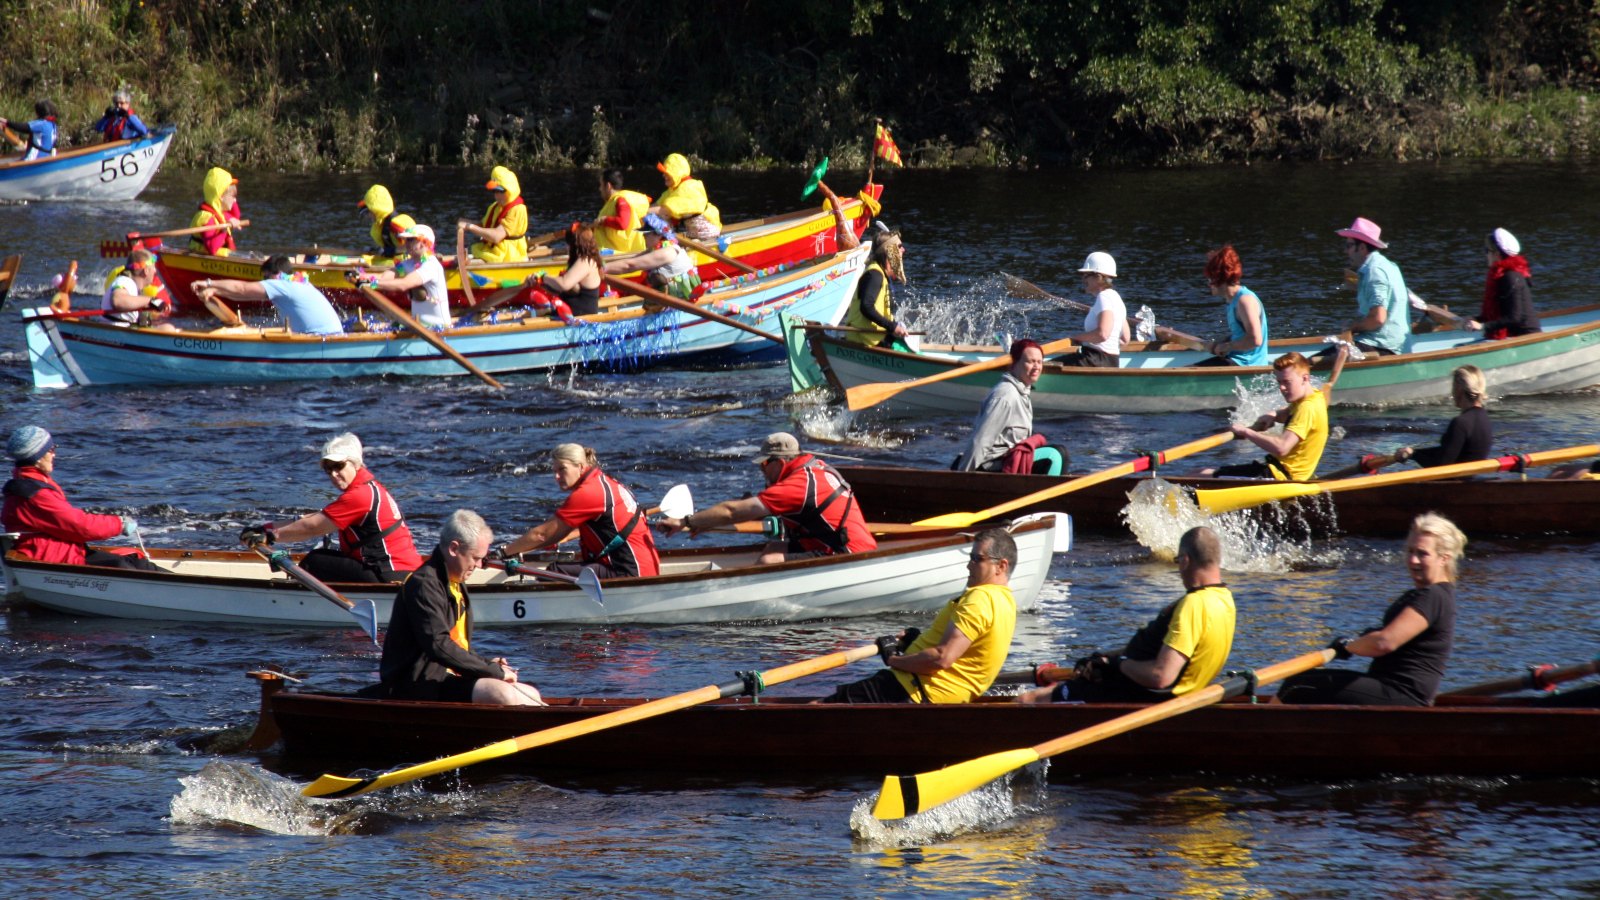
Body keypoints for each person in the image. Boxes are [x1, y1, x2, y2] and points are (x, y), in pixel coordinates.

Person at [1018, 526, 1234, 704]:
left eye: (1177, 562)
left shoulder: (1194, 605)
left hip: (1145, 698)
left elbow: (1160, 676)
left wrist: (1116, 664)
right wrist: (1105, 658)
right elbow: (1164, 650)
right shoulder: (1224, 600)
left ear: (1185, 560)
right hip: (1161, 693)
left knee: (1029, 699)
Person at [1276, 513, 1463, 706]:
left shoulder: (1433, 596)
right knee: (1305, 681)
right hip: (1389, 688)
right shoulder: (1436, 595)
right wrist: (1364, 638)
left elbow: (1385, 642)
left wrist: (1348, 646)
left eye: (1422, 554)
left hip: (1401, 694)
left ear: (1444, 559)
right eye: (1410, 551)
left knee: (1297, 685)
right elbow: (1389, 637)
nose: (1413, 560)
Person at [819, 528, 1019, 703]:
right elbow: (965, 651)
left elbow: (942, 658)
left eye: (977, 559)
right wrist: (918, 642)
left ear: (1001, 566)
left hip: (914, 689)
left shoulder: (979, 597)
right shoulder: (1006, 602)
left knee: (816, 709)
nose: (969, 566)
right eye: (970, 558)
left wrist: (892, 659)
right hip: (939, 696)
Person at [377, 509, 545, 705]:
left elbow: (456, 645)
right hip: (416, 684)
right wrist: (492, 672)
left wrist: (487, 664)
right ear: (454, 549)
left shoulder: (455, 582)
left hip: (444, 677)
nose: (480, 565)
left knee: (530, 693)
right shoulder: (424, 585)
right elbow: (438, 645)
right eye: (475, 557)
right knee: (502, 694)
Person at [658, 431, 877, 564]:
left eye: (764, 464)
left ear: (780, 463)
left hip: (848, 554)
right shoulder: (815, 467)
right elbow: (748, 511)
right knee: (774, 548)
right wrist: (708, 521)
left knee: (768, 560)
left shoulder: (796, 487)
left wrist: (686, 521)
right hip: (833, 544)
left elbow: (732, 511)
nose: (761, 470)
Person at [240, 432, 422, 584]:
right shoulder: (370, 488)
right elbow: (314, 519)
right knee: (325, 557)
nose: (334, 474)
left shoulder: (360, 496)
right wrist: (264, 529)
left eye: (338, 466)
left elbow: (312, 528)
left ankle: (294, 599)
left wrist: (270, 536)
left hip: (389, 577)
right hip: (403, 572)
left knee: (316, 560)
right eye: (328, 468)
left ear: (355, 463)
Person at [1, 426, 160, 571]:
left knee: (136, 561)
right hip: (56, 558)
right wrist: (119, 524)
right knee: (125, 566)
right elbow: (79, 526)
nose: (54, 453)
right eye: (51, 449)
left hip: (61, 551)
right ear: (38, 457)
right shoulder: (35, 493)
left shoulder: (27, 485)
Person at [494, 443, 660, 579]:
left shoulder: (588, 493)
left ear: (580, 467)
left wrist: (505, 551)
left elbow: (541, 535)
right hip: (644, 567)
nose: (557, 477)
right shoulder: (606, 482)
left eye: (562, 469)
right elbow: (557, 533)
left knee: (555, 571)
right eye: (554, 471)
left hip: (629, 572)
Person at [1202, 351, 1331, 481]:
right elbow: (1287, 413)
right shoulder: (1314, 396)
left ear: (1305, 378)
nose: (1282, 388)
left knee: (1200, 475)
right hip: (1277, 469)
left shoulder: (1306, 408)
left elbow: (1281, 448)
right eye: (1279, 382)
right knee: (1201, 472)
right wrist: (1273, 415)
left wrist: (1245, 432)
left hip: (1281, 477)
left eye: (1287, 382)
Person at [955, 339, 1046, 472]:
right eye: (1030, 361)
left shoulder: (1023, 391)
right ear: (1014, 364)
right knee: (1056, 455)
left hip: (1008, 460)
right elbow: (981, 440)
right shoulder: (1005, 396)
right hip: (989, 466)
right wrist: (962, 476)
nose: (1036, 367)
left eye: (1039, 362)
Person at [195, 255, 345, 335]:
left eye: (265, 277)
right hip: (330, 336)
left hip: (319, 340)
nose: (264, 281)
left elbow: (242, 288)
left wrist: (209, 283)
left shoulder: (282, 285)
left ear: (277, 274)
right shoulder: (300, 283)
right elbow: (245, 295)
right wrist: (217, 291)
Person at [1333, 216, 1410, 357]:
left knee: (1308, 366)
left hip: (1381, 346)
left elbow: (1378, 318)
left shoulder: (1374, 272)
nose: (1346, 251)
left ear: (1362, 248)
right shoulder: (1388, 265)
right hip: (1391, 343)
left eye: (1349, 246)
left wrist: (1353, 327)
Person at [1389, 366, 1491, 469]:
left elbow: (1441, 465)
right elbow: (1447, 452)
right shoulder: (1484, 418)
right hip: (1472, 479)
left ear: (1459, 388)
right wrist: (1413, 452)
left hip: (1454, 482)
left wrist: (1414, 455)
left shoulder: (1460, 422)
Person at [1195, 245, 1269, 367]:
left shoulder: (1245, 301)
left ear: (1219, 278)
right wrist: (1221, 342)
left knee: (1181, 374)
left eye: (1209, 279)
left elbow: (1255, 340)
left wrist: (1227, 346)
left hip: (1247, 364)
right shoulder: (1233, 300)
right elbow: (1241, 335)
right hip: (1236, 360)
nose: (1209, 285)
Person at [363, 224, 451, 327]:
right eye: (406, 240)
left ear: (424, 242)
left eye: (411, 240)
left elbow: (403, 285)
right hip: (419, 325)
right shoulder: (408, 263)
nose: (406, 244)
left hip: (439, 327)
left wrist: (372, 284)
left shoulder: (431, 266)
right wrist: (361, 276)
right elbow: (384, 277)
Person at [603, 213, 700, 300]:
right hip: (667, 296)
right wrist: (600, 264)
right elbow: (632, 260)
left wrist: (599, 270)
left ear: (658, 235)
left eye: (645, 234)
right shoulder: (656, 249)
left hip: (682, 298)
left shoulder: (667, 252)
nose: (643, 238)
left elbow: (630, 265)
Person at [840, 226, 909, 347]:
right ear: (889, 252)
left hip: (874, 338)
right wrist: (892, 327)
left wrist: (895, 325)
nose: (903, 250)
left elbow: (881, 312)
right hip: (863, 340)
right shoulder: (874, 275)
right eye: (899, 247)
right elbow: (866, 307)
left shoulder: (881, 273)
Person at [1057, 251, 1129, 368]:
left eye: (1086, 275)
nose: (1083, 279)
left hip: (1095, 360)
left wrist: (1076, 338)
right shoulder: (1117, 298)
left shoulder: (1104, 297)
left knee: (1045, 367)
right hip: (1112, 362)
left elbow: (1103, 334)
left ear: (1098, 277)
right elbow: (1125, 339)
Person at [1467, 228, 1540, 339]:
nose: (1486, 254)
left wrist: (1482, 326)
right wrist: (1475, 319)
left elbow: (1514, 318)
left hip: (1527, 336)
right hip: (1513, 335)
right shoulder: (1500, 276)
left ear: (1497, 254)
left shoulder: (1510, 277)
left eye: (1487, 251)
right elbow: (1497, 314)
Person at [521, 222, 602, 319]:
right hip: (569, 312)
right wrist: (542, 283)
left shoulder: (586, 261)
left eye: (569, 244)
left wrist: (544, 277)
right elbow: (566, 289)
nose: (567, 248)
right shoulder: (582, 260)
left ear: (576, 244)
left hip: (582, 317)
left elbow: (564, 283)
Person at [460, 166, 529, 263]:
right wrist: (466, 223)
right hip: (494, 252)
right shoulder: (495, 207)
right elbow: (484, 226)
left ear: (510, 191)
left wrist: (470, 227)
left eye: (500, 191)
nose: (496, 195)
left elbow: (497, 236)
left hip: (510, 257)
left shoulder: (518, 210)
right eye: (494, 191)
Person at [649, 152, 722, 240]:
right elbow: (657, 205)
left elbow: (666, 209)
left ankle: (666, 242)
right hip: (693, 234)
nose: (663, 175)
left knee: (664, 214)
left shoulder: (689, 187)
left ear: (676, 173)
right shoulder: (674, 189)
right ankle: (665, 239)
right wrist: (638, 211)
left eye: (666, 172)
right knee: (661, 216)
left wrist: (645, 212)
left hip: (707, 234)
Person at [102, 248, 177, 332]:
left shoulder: (132, 286)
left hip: (124, 331)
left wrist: (152, 305)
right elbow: (118, 301)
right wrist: (151, 301)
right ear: (146, 271)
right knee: (168, 329)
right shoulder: (125, 281)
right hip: (117, 333)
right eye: (153, 267)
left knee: (167, 327)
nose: (155, 271)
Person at [593, 168, 650, 255]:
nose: (600, 189)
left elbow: (623, 223)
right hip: (614, 250)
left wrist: (604, 220)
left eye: (601, 185)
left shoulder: (620, 200)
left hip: (623, 253)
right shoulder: (613, 201)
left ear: (608, 186)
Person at [188, 167, 243, 256]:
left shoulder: (221, 213)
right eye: (233, 196)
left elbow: (236, 216)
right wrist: (224, 228)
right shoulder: (207, 218)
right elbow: (212, 249)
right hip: (205, 257)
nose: (235, 200)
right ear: (221, 196)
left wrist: (233, 202)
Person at [358, 184, 416, 264]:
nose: (368, 215)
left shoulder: (395, 225)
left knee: (366, 264)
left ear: (376, 209)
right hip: (394, 261)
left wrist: (388, 251)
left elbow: (412, 246)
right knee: (365, 259)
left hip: (404, 264)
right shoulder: (382, 223)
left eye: (369, 211)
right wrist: (377, 250)